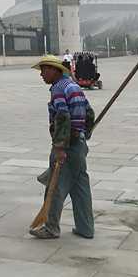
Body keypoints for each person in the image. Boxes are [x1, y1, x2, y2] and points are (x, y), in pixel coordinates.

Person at [29, 55, 94, 240]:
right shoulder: (74, 86)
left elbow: (62, 117)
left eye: (44, 70)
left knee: (55, 187)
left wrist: (59, 147)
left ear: (55, 70)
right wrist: (84, 133)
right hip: (78, 145)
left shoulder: (58, 89)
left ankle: (50, 227)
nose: (41, 74)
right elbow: (89, 112)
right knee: (80, 188)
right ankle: (85, 228)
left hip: (67, 146)